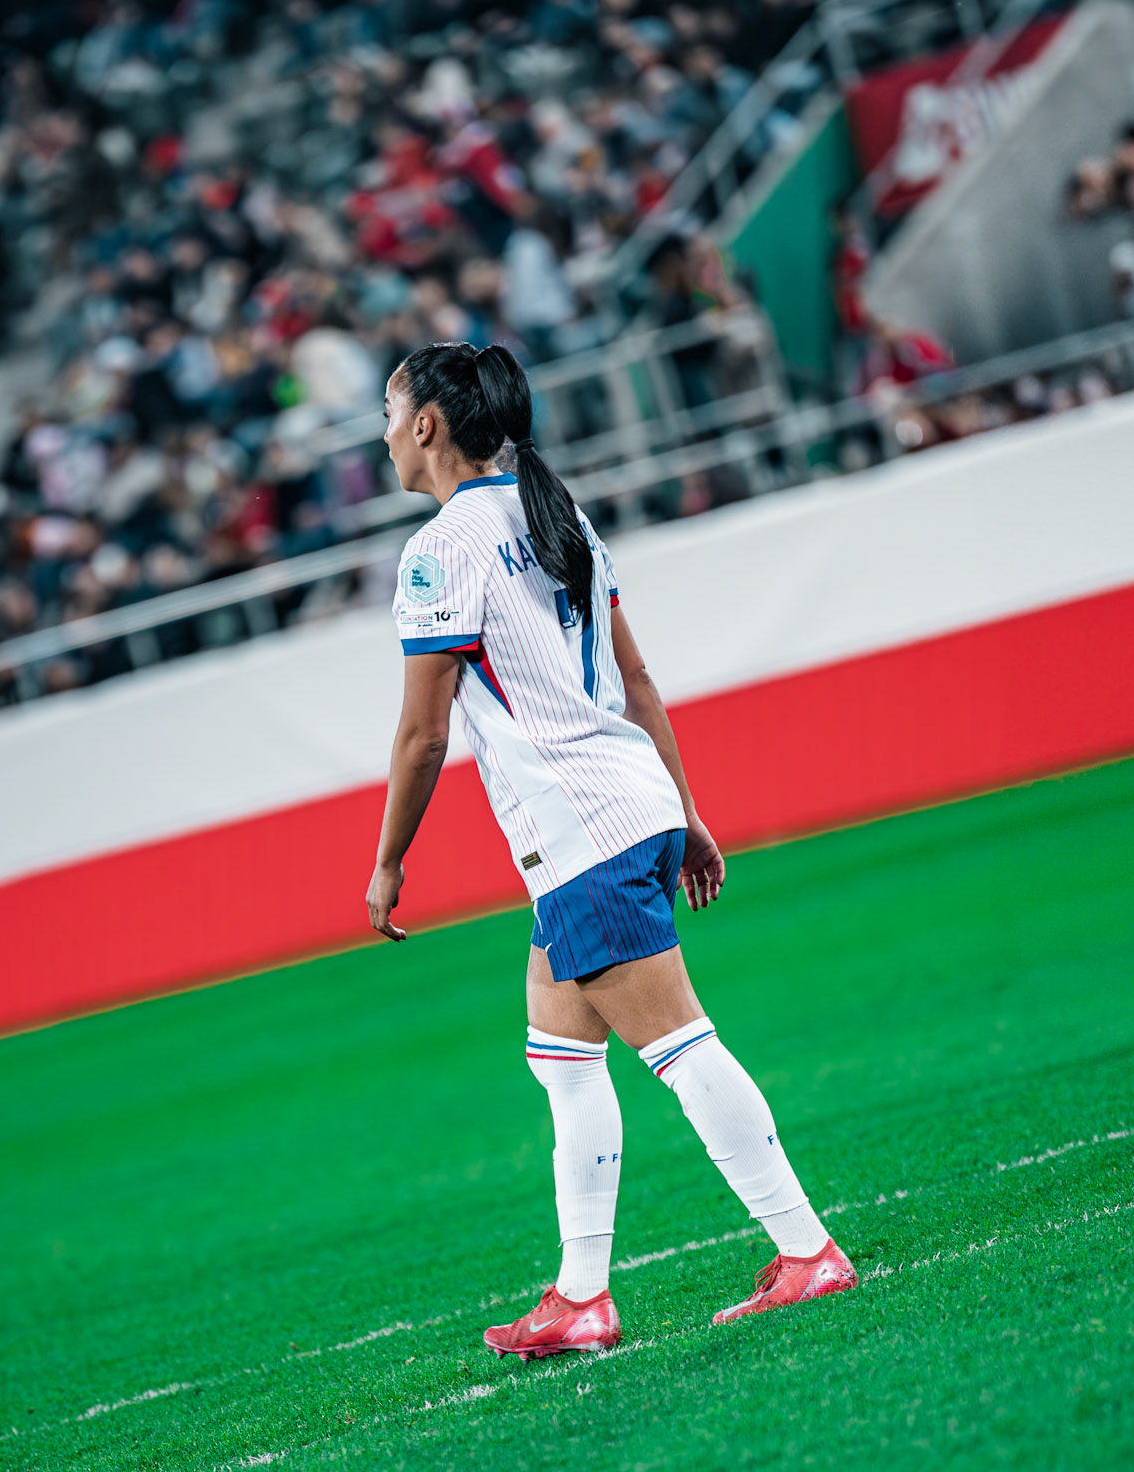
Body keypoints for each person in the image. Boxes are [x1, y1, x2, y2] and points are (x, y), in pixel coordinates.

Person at [364, 341, 856, 1360]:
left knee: (681, 1046)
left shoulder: (439, 549)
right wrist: (687, 810)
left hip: (577, 828)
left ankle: (806, 1249)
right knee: (561, 1053)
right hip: (621, 804)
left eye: (386, 411)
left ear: (426, 425)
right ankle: (580, 1295)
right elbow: (639, 681)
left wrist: (387, 860)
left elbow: (422, 734)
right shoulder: (559, 513)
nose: (381, 432)